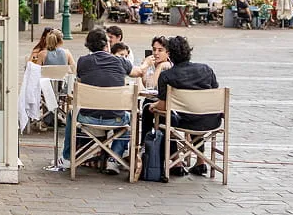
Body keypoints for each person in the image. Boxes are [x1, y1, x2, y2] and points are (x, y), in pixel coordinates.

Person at [48, 26, 132, 174]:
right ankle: (114, 159)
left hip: (88, 117)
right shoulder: (120, 61)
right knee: (130, 117)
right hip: (115, 119)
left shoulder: (83, 62)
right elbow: (137, 72)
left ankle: (67, 157)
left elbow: (80, 80)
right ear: (106, 44)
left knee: (70, 113)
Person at [151, 35, 221, 176]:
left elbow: (164, 106)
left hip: (186, 120)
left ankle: (175, 161)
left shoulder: (167, 76)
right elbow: (215, 93)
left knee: (165, 116)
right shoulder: (206, 69)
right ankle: (201, 162)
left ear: (169, 54)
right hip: (211, 120)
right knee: (196, 112)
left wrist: (152, 106)